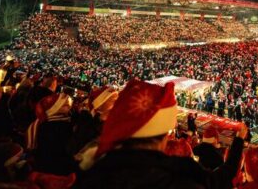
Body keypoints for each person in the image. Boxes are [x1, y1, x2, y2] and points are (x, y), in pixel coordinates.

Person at [75, 79, 248, 188]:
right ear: (165, 132)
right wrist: (239, 140)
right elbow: (222, 177)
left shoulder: (91, 172)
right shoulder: (180, 174)